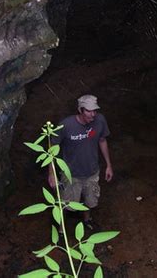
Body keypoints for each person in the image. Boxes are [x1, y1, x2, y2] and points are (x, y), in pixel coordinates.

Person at [48, 94, 113, 230]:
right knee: (66, 203)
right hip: (71, 174)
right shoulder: (66, 125)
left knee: (90, 200)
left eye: (94, 110)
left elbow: (102, 140)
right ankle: (61, 229)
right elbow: (52, 149)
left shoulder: (100, 120)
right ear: (80, 110)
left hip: (92, 171)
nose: (93, 114)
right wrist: (52, 173)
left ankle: (87, 220)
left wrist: (108, 165)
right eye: (89, 111)